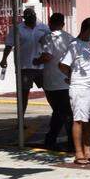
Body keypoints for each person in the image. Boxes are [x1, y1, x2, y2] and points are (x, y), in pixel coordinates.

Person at [59, 17, 90, 164]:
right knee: (78, 120)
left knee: (89, 121)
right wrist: (71, 76)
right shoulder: (74, 45)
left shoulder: (88, 44)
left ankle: (88, 150)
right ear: (88, 29)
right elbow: (63, 65)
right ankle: (79, 153)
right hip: (80, 88)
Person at [35, 12, 74, 150]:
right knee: (63, 110)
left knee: (60, 111)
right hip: (66, 79)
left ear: (50, 23)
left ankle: (53, 138)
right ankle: (65, 139)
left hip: (52, 80)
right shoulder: (70, 38)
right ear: (63, 24)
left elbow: (47, 57)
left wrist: (36, 60)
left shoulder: (48, 38)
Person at [0, 6, 50, 111]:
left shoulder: (43, 28)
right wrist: (4, 59)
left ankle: (57, 115)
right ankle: (21, 122)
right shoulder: (17, 29)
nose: (32, 18)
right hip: (24, 67)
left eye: (33, 16)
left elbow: (51, 43)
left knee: (50, 91)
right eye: (29, 17)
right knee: (23, 94)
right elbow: (9, 45)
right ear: (24, 18)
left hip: (41, 66)